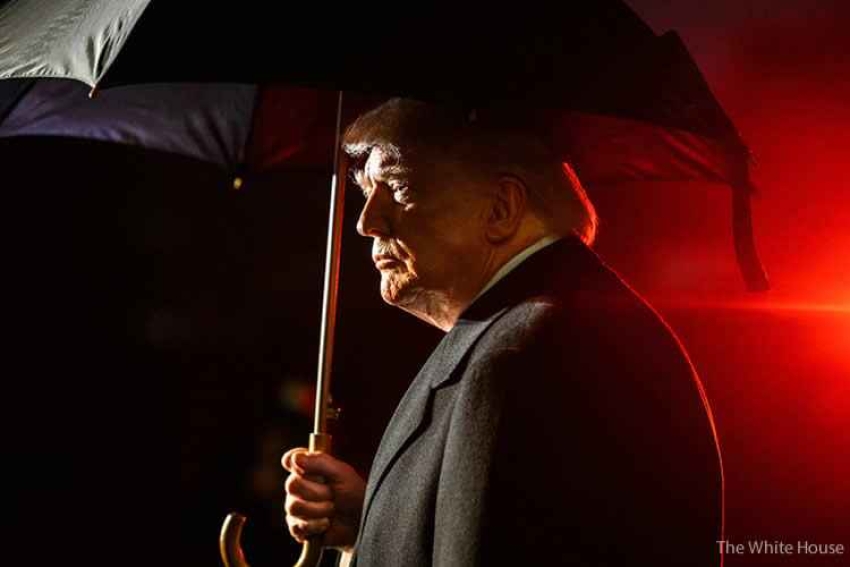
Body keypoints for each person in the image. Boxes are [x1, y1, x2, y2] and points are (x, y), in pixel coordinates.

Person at [281, 98, 724, 566]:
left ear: (501, 209)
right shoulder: (545, 329)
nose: (366, 222)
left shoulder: (521, 357)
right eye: (368, 191)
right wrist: (371, 527)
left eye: (399, 187)